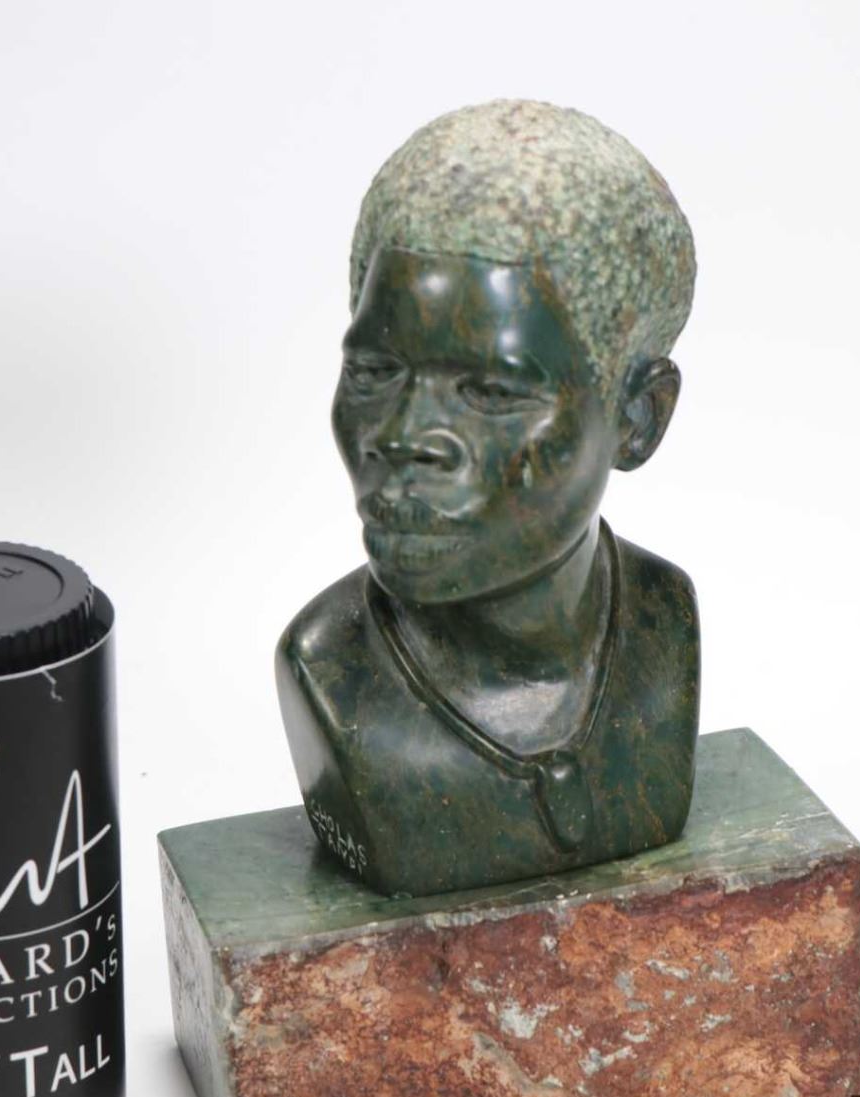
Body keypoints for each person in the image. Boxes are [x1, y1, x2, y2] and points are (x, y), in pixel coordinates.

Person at [276, 99, 700, 896]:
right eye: (374, 373)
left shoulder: (662, 622)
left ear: (637, 420)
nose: (404, 436)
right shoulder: (330, 669)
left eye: (492, 392)